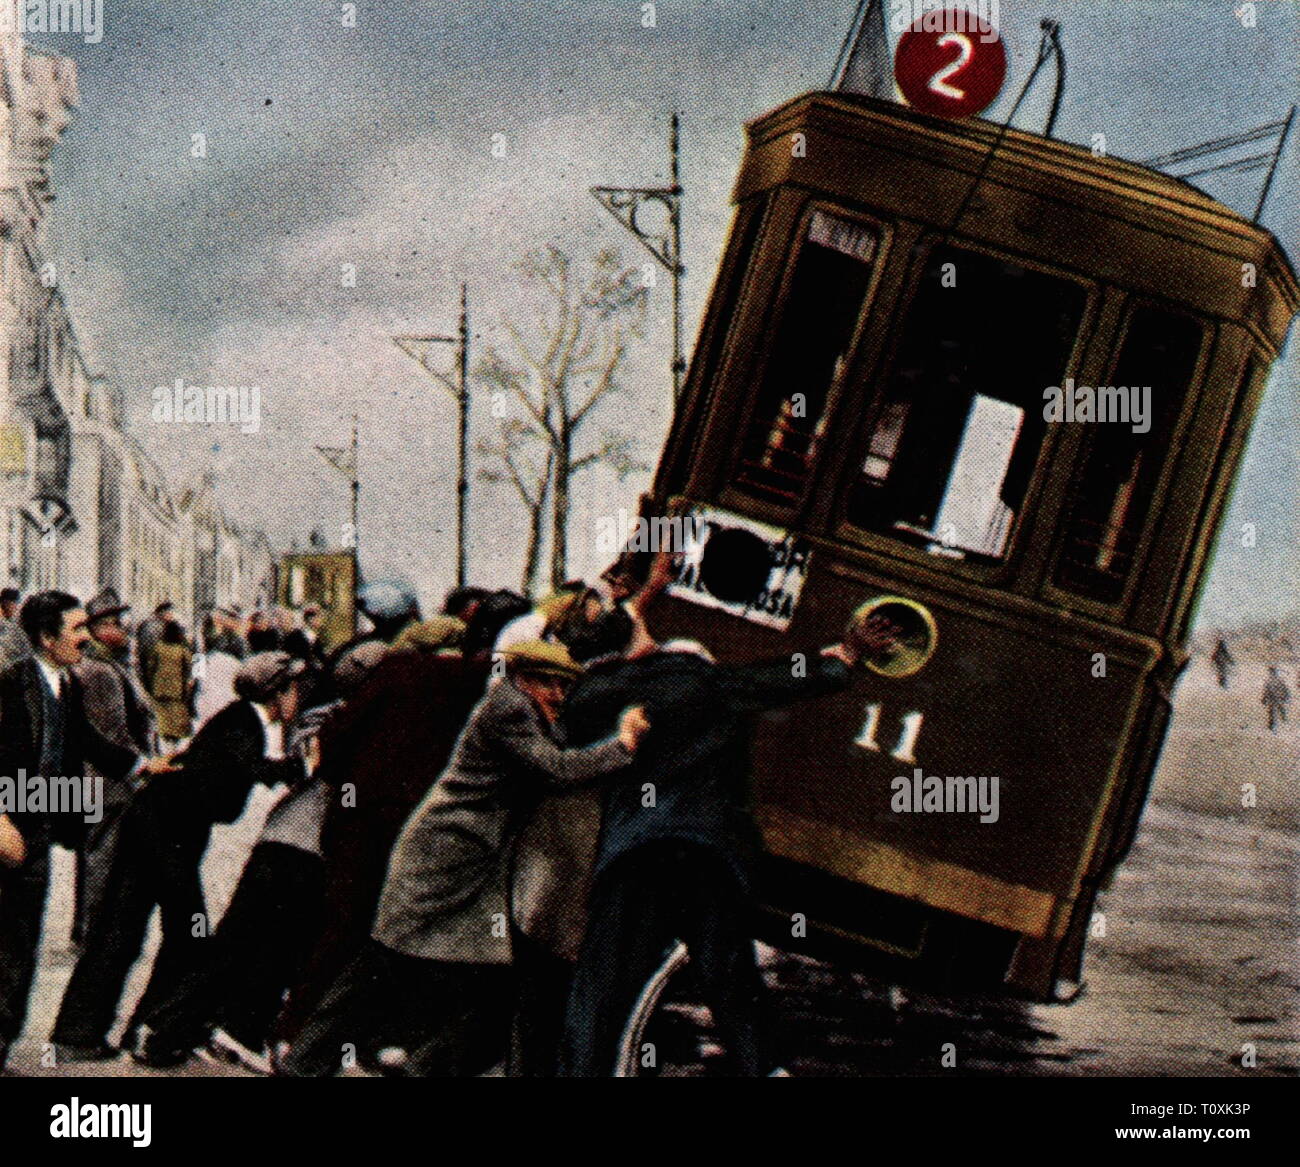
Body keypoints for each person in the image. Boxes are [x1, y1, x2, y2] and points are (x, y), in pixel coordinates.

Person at [278, 640, 650, 1078]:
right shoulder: (508, 710)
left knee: (486, 981)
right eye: (553, 685)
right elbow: (558, 770)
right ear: (526, 679)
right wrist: (623, 745)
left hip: (470, 865)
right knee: (385, 963)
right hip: (442, 858)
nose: (560, 696)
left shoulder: (525, 708)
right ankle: (307, 1065)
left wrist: (622, 659)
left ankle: (419, 1067)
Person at [557, 605, 896, 1077]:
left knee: (601, 984)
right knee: (731, 978)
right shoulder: (708, 683)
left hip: (637, 853)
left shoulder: (595, 696)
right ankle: (768, 1071)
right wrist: (847, 655)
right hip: (708, 855)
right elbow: (785, 679)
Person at [275, 603, 526, 1048]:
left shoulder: (394, 672)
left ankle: (298, 1032)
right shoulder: (473, 681)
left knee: (342, 926)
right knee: (408, 934)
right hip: (423, 824)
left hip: (361, 818)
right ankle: (387, 1038)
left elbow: (334, 740)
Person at [49, 651, 310, 1062]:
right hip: (166, 834)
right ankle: (151, 1031)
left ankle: (80, 1034)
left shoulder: (238, 719)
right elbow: (243, 769)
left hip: (156, 826)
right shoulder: (245, 722)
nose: (299, 698)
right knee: (187, 933)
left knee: (123, 927)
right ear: (278, 692)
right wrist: (294, 769)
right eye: (296, 689)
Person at [0, 592, 172, 1070]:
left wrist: (144, 766)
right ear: (47, 638)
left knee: (20, 945)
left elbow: (89, 742)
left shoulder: (69, 686)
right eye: (75, 630)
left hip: (32, 831)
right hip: (6, 827)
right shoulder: (11, 684)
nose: (85, 637)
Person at [71, 588, 156, 946]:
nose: (126, 631)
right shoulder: (101, 671)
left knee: (96, 856)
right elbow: (114, 733)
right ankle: (93, 933)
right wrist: (141, 770)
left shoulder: (107, 665)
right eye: (119, 624)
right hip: (107, 782)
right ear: (101, 628)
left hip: (101, 780)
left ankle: (88, 929)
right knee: (102, 858)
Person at [148, 619, 194, 749]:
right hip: (177, 690)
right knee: (178, 720)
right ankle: (175, 745)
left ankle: (165, 743)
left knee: (163, 719)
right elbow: (190, 668)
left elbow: (151, 667)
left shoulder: (158, 647)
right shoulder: (182, 649)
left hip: (160, 689)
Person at [134, 600, 174, 691]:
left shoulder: (150, 624)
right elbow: (149, 649)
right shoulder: (155, 627)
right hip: (154, 666)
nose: (172, 616)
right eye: (170, 613)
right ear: (163, 613)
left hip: (150, 665)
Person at [0, 587, 27, 674]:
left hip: (16, 672)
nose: (5, 607)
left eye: (9, 604)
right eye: (3, 603)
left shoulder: (23, 626)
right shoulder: (2, 623)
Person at [1262, 665, 1289, 732]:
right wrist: (1286, 697)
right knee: (1278, 709)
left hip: (1273, 699)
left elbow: (1266, 691)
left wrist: (1264, 699)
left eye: (1271, 672)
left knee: (1273, 712)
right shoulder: (1280, 680)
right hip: (1278, 698)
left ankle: (1273, 725)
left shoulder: (1269, 681)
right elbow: (1285, 689)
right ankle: (1282, 720)